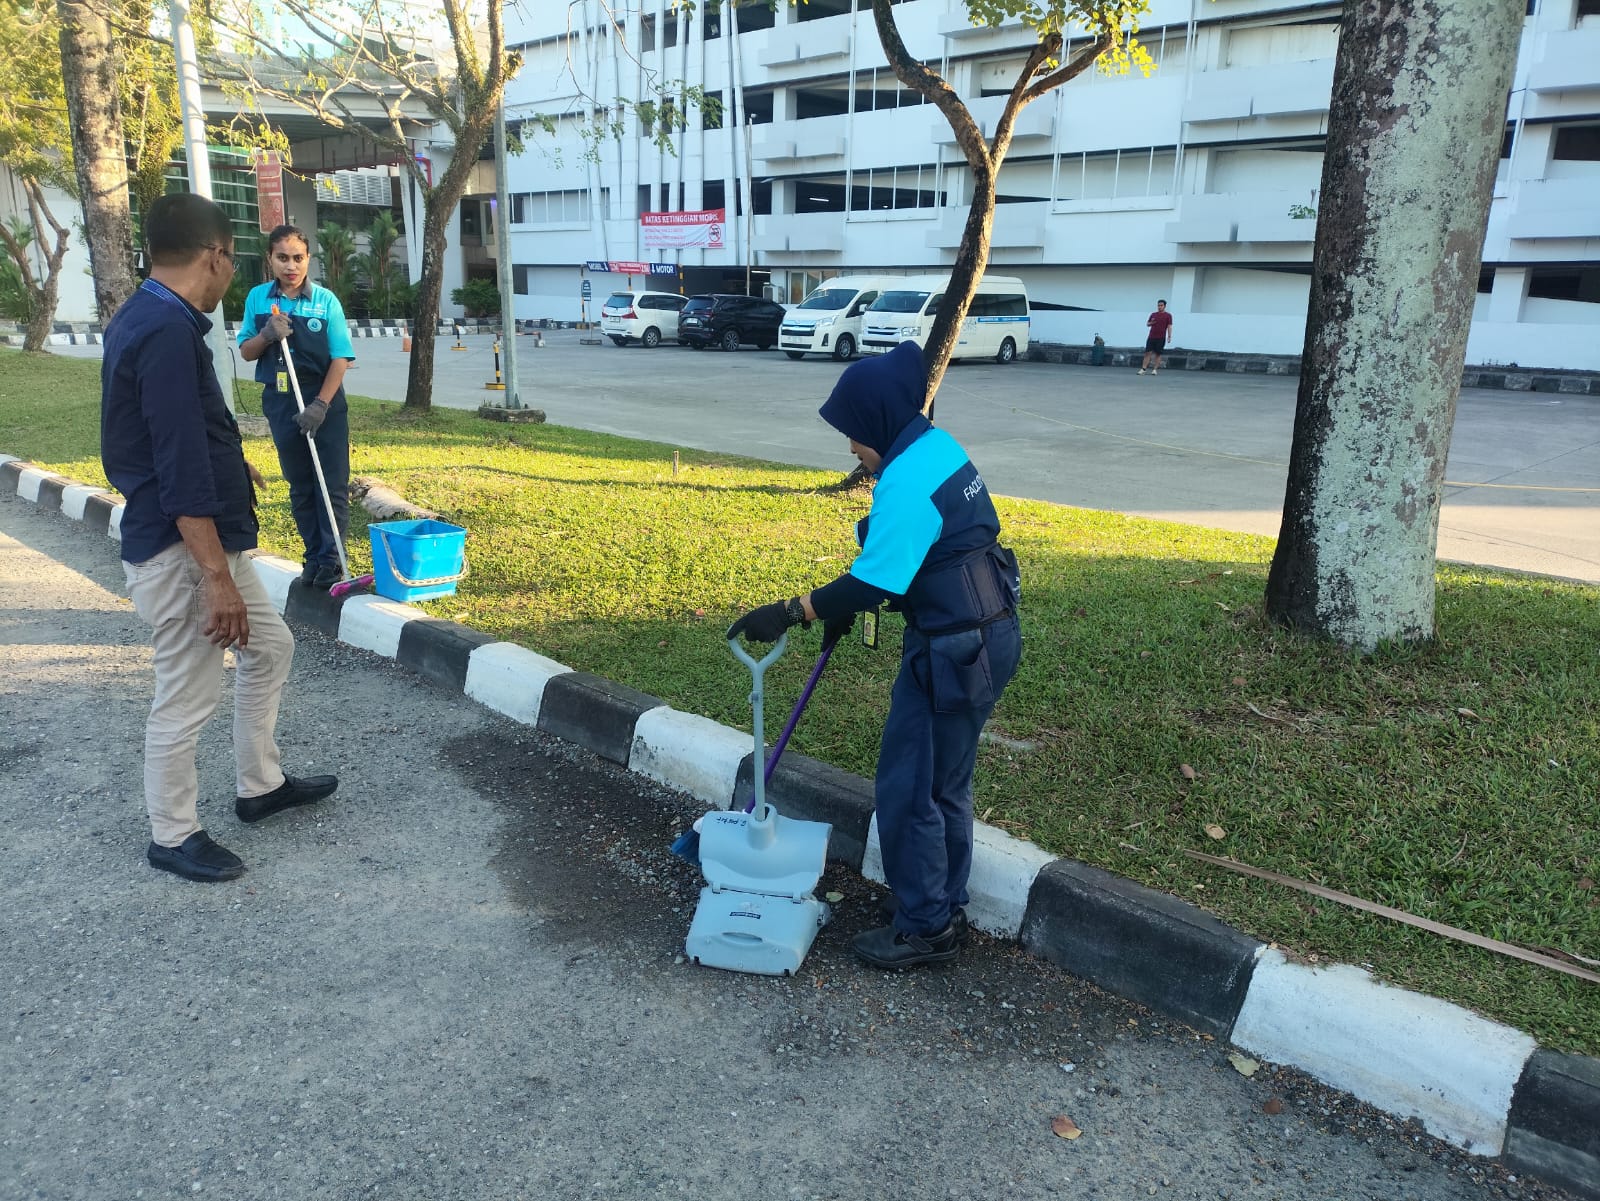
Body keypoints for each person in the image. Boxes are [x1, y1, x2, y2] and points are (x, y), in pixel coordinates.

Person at [727, 342, 1022, 970]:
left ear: (880, 421)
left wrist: (792, 610)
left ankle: (924, 930)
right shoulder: (938, 448)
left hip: (952, 649)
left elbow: (874, 584)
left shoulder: (907, 482)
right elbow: (916, 559)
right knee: (946, 785)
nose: (852, 449)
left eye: (856, 435)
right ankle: (939, 902)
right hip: (987, 632)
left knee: (911, 789)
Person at [101, 194, 338, 883]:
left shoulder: (150, 314)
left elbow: (166, 432)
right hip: (185, 556)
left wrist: (233, 461)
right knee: (185, 693)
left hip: (203, 540)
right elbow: (173, 464)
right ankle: (172, 833)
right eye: (232, 259)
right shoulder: (168, 330)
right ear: (215, 256)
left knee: (272, 647)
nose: (230, 272)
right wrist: (215, 578)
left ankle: (259, 786)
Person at [238, 224, 356, 589]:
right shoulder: (259, 299)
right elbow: (246, 351)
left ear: (308, 259)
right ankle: (312, 559)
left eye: (299, 258)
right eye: (283, 258)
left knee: (331, 483)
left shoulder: (325, 301)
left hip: (324, 400)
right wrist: (266, 334)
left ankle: (332, 561)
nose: (291, 266)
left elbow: (341, 358)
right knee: (301, 483)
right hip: (281, 398)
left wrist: (321, 404)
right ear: (270, 259)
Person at [1140, 299, 1173, 375]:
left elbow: (1169, 326)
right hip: (1151, 336)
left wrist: (1169, 336)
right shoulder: (1153, 314)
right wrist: (1152, 322)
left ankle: (1155, 370)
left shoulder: (1168, 315)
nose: (1159, 307)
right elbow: (1148, 324)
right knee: (1147, 353)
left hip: (1161, 337)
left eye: (1161, 305)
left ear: (1164, 306)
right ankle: (1143, 369)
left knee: (1158, 354)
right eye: (1158, 305)